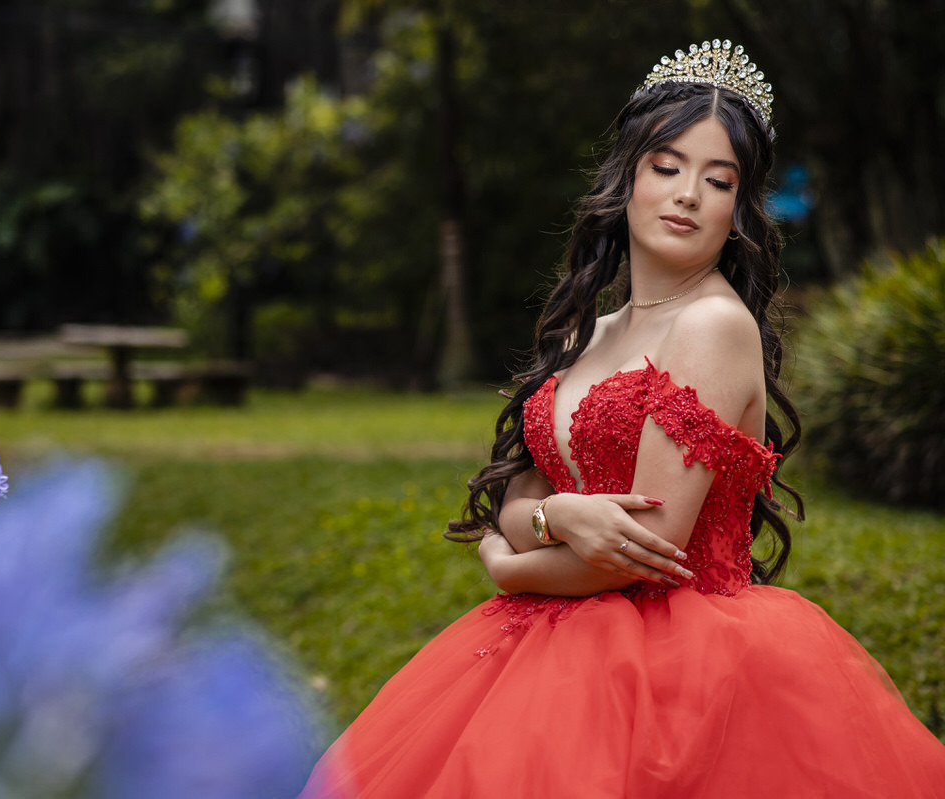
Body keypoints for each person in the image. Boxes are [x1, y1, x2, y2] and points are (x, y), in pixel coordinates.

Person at [300, 39, 945, 798]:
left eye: (718, 180)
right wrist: (559, 513)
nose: (687, 194)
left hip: (683, 668)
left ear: (737, 209)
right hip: (541, 649)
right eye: (667, 166)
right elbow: (521, 485)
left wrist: (510, 564)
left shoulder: (713, 327)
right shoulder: (591, 334)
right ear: (629, 175)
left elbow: (639, 549)